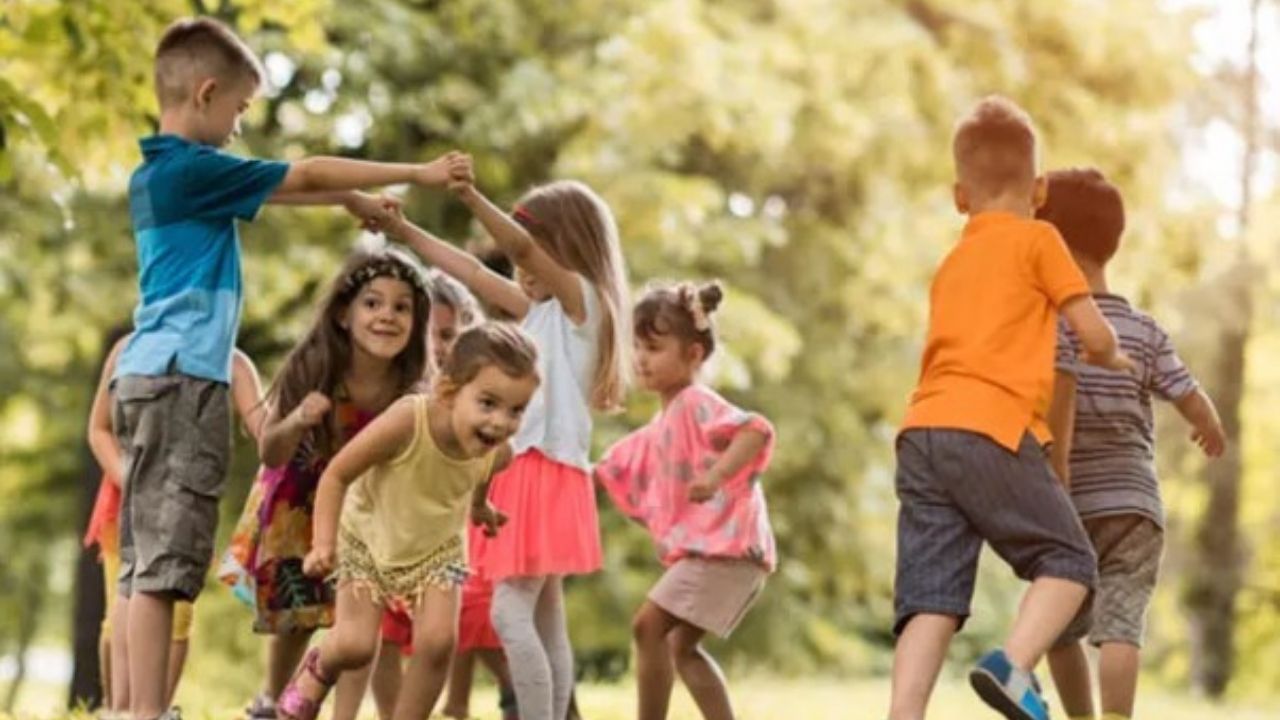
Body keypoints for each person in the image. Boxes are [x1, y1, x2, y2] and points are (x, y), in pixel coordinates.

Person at [116, 15, 467, 719]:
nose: (240, 127)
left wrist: (348, 202)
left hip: (147, 377)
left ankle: (133, 707)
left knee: (143, 564)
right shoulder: (191, 169)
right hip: (184, 380)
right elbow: (300, 172)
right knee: (166, 569)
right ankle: (147, 713)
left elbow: (289, 189)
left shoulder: (159, 175)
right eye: (239, 110)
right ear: (207, 93)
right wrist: (414, 173)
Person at [886, 96, 1134, 720]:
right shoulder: (1038, 239)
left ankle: (901, 713)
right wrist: (1117, 360)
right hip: (990, 428)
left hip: (922, 432)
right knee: (1070, 561)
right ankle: (1014, 666)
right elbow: (1093, 331)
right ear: (1040, 188)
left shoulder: (952, 261)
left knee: (930, 598)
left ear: (958, 196)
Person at [383, 172, 630, 720]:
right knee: (545, 618)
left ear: (566, 248)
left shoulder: (583, 302)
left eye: (532, 254)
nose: (520, 267)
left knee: (509, 613)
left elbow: (516, 245)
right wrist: (405, 231)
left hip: (543, 470)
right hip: (532, 471)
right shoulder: (539, 309)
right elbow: (469, 271)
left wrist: (469, 195)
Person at [276, 323, 541, 720]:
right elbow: (336, 474)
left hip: (437, 549)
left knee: (438, 642)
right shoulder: (408, 420)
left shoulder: (498, 451)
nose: (501, 422)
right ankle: (319, 666)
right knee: (356, 645)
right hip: (369, 537)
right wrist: (323, 544)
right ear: (450, 392)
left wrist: (480, 506)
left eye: (516, 410)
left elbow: (481, 473)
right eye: (488, 403)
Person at [1037, 168, 1226, 720]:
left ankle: (1082, 719)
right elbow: (1189, 394)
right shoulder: (1142, 329)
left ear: (1055, 246)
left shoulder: (1053, 326)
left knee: (1057, 626)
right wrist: (1209, 426)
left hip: (1070, 503)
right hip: (1136, 506)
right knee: (1122, 623)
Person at [222, 246, 433, 719]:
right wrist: (298, 418)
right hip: (298, 500)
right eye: (373, 303)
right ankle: (273, 702)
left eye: (403, 307)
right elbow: (271, 450)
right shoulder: (315, 365)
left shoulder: (413, 385)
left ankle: (338, 712)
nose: (387, 316)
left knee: (360, 618)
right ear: (343, 314)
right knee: (295, 617)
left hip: (366, 509)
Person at [595, 281, 776, 720]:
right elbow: (609, 469)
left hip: (726, 551)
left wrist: (715, 475)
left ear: (693, 354)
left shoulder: (696, 402)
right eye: (636, 346)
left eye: (653, 348)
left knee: (647, 627)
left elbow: (755, 430)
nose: (640, 358)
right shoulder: (663, 423)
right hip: (730, 555)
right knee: (680, 647)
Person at [87, 331, 264, 719]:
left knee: (176, 607)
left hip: (186, 505)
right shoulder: (129, 350)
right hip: (124, 503)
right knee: (129, 596)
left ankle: (153, 706)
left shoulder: (229, 360)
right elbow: (98, 429)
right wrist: (129, 479)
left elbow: (264, 427)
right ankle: (121, 707)